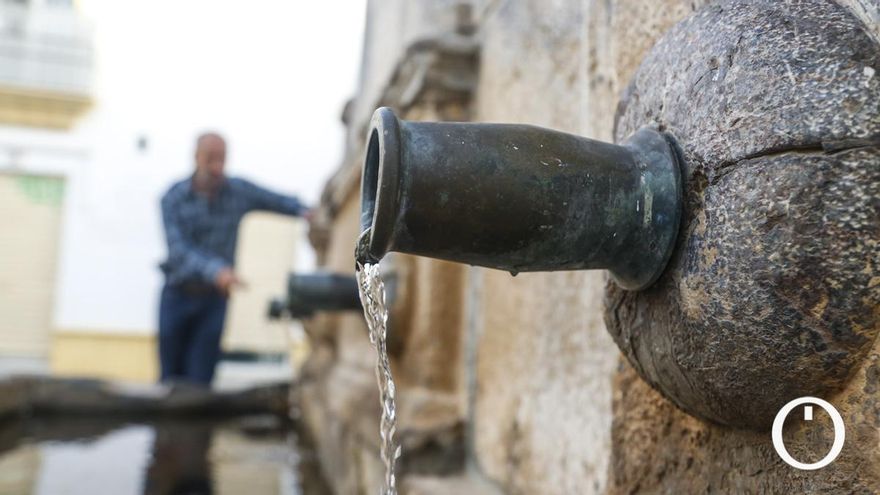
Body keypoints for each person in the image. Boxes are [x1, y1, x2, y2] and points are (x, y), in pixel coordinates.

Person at [158, 132, 309, 385]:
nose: (217, 166)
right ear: (196, 157)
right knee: (169, 379)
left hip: (214, 301)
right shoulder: (172, 198)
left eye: (222, 158)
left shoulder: (238, 192)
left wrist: (307, 212)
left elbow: (278, 201)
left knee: (201, 380)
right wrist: (218, 271)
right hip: (177, 296)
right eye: (210, 158)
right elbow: (179, 250)